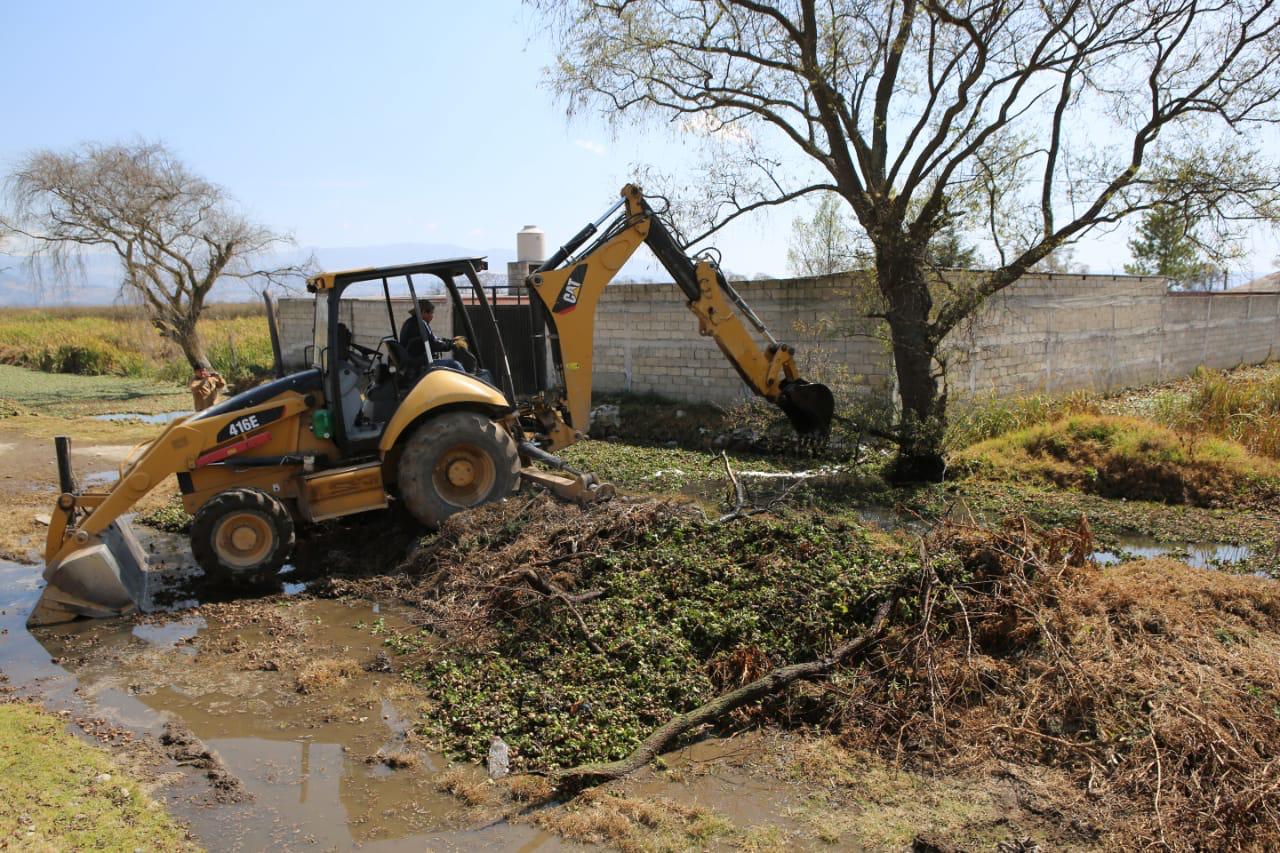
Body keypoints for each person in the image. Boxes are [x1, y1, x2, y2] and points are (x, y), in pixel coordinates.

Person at [398, 300, 466, 371]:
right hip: (420, 365)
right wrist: (452, 345)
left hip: (414, 362)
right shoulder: (420, 324)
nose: (432, 316)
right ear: (424, 312)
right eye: (431, 313)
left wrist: (449, 341)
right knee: (455, 365)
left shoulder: (410, 322)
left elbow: (432, 339)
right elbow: (433, 344)